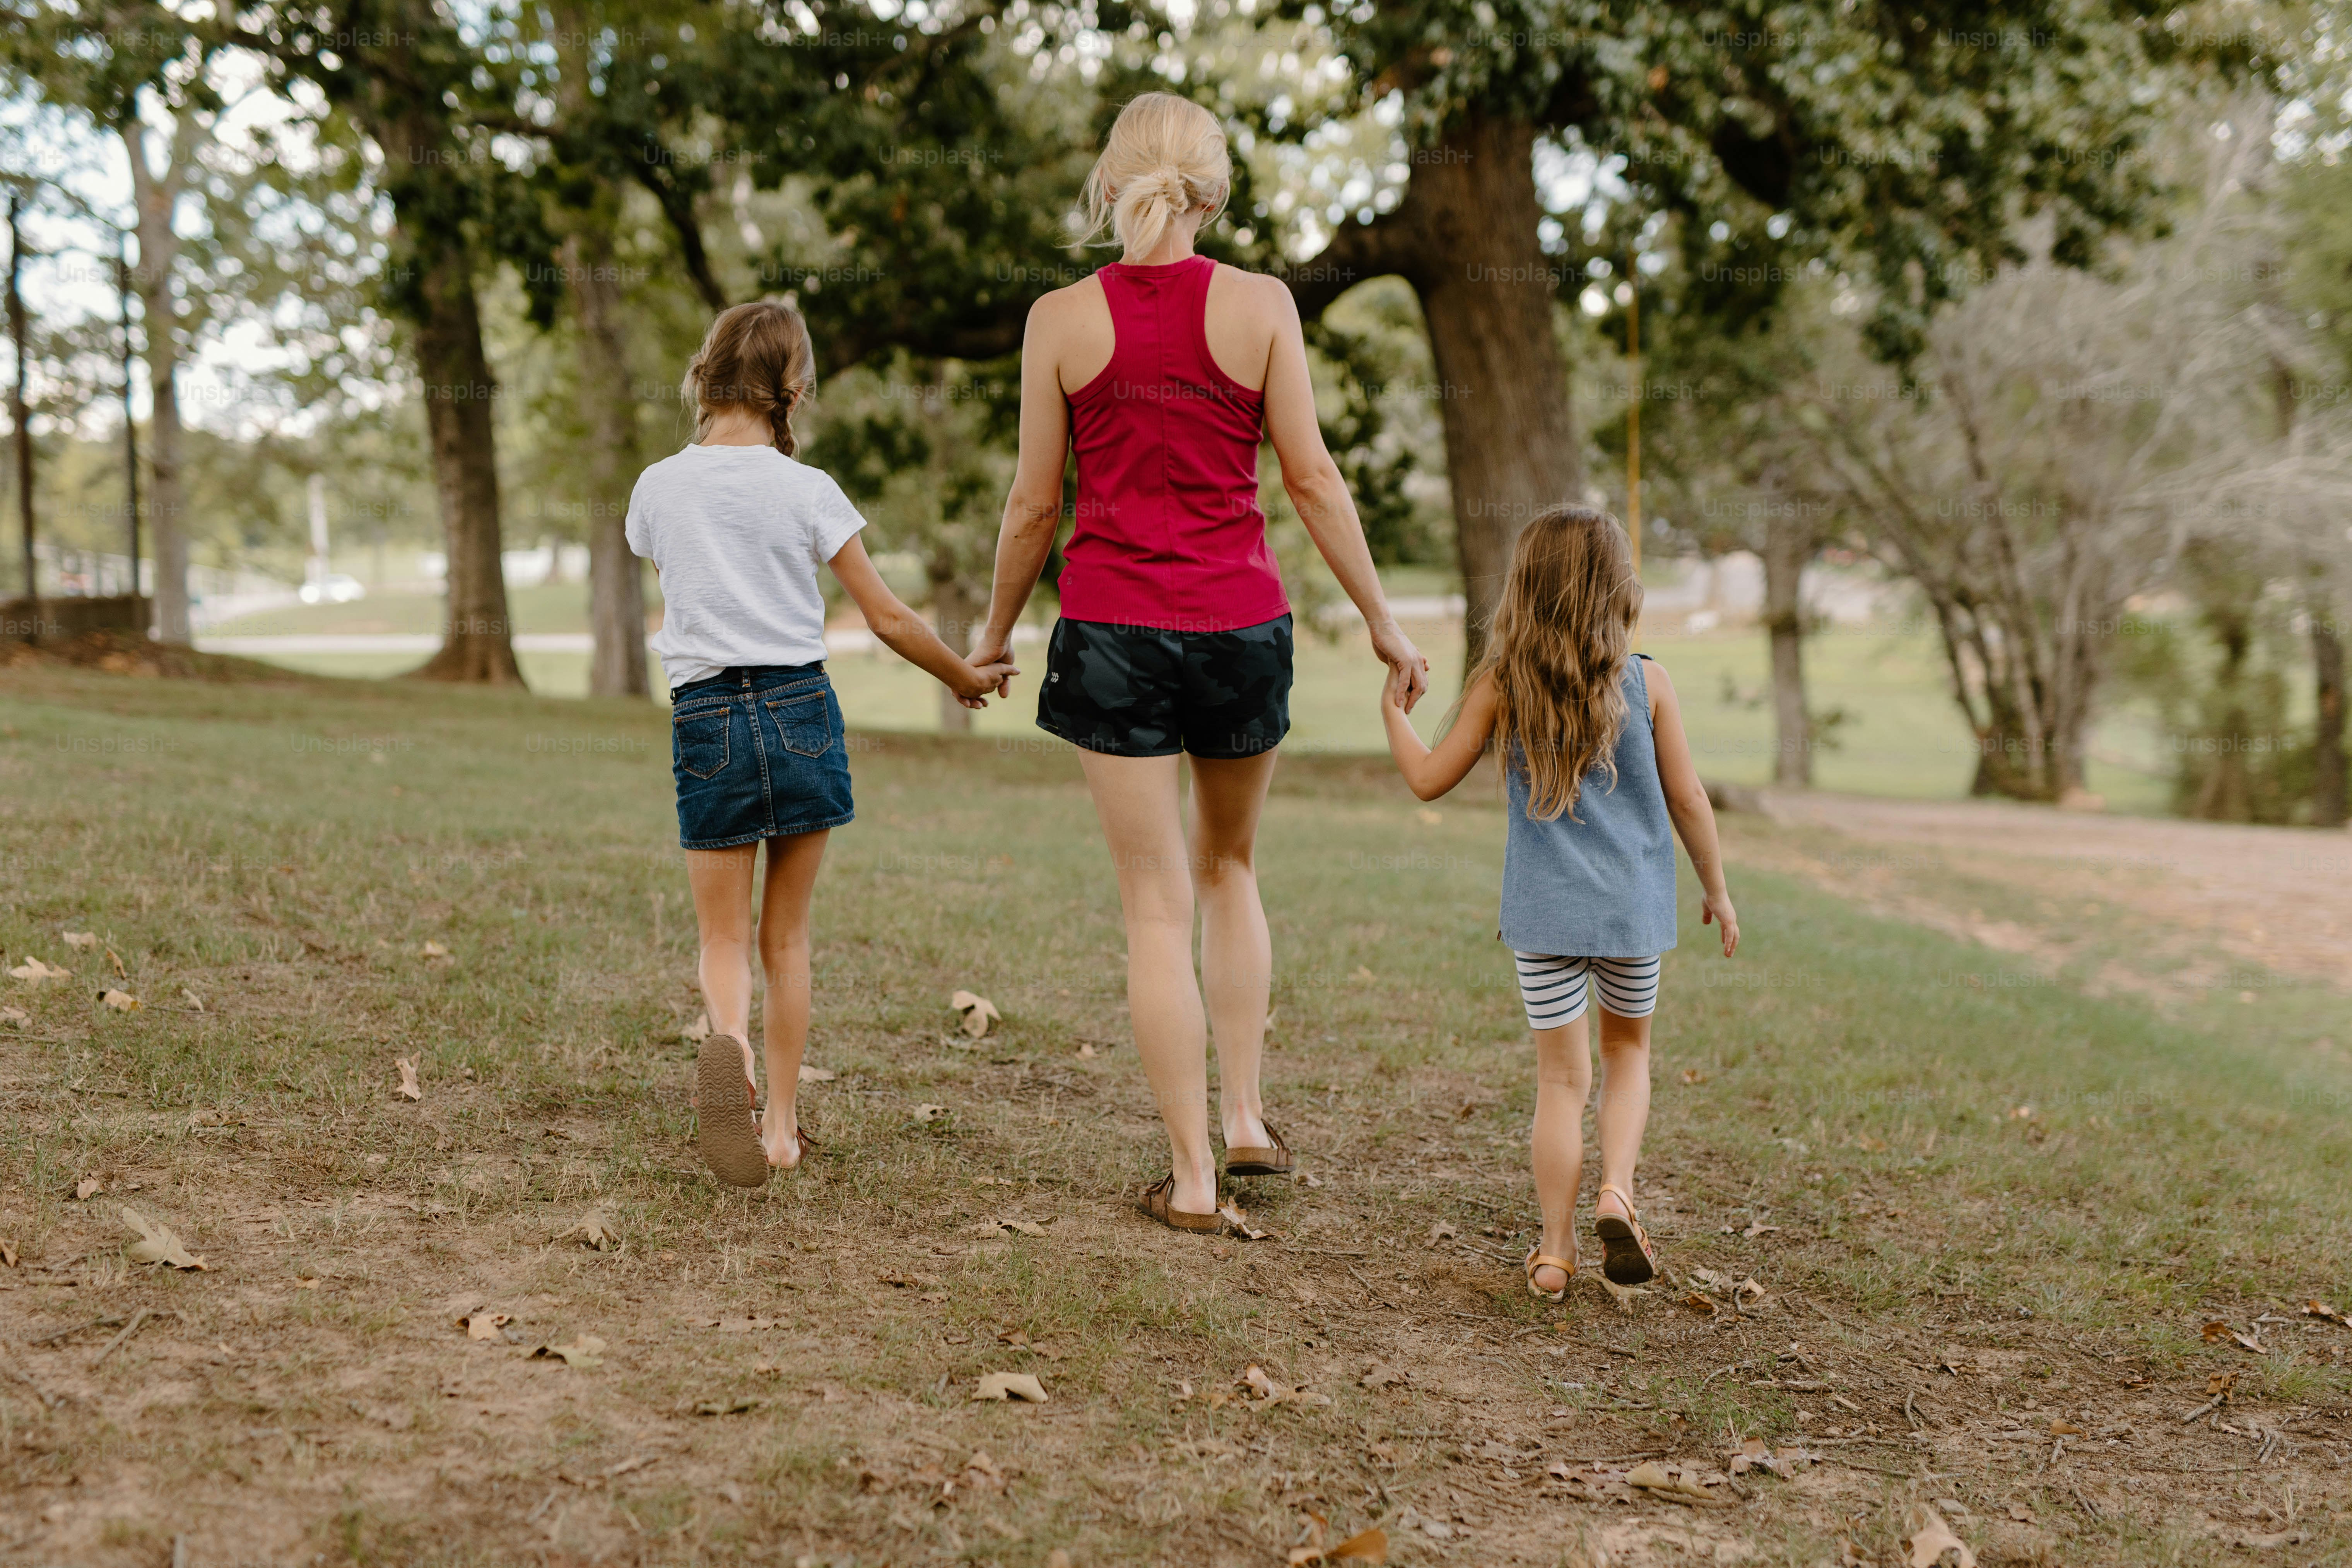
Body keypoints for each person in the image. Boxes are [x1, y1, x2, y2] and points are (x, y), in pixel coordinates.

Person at [967, 93, 1430, 1232]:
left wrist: (992, 633)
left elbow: (1035, 504)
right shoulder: (1265, 305)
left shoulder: (1059, 320)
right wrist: (1384, 620)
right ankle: (1247, 1117)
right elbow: (1314, 480)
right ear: (1214, 192)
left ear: (1110, 182)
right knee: (1230, 870)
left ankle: (1189, 1180)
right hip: (1240, 630)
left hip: (1114, 634)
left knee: (1154, 904)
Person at [628, 301, 1016, 1189]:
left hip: (708, 716)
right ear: (791, 387)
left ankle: (729, 1046)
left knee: (721, 938)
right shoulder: (809, 490)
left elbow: (682, 584)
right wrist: (961, 673)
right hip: (801, 706)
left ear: (707, 370)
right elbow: (885, 614)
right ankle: (779, 1129)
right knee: (787, 940)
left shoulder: (657, 486)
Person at [1379, 505, 1739, 1298]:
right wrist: (1715, 887)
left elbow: (1428, 778)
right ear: (1619, 589)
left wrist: (1393, 718)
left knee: (1558, 1082)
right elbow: (1689, 798)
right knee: (1628, 1057)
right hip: (1631, 917)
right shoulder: (1650, 682)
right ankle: (1617, 1189)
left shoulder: (1501, 684)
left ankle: (1553, 1249)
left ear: (1525, 589)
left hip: (1543, 919)